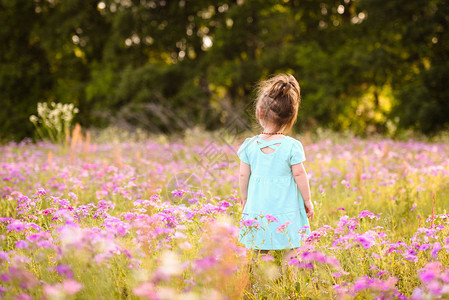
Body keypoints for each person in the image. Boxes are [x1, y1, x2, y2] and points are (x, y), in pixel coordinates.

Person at [237, 73, 314, 266]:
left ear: (260, 112)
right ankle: (291, 274)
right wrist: (307, 200)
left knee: (258, 246)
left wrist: (245, 198)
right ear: (290, 117)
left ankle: (255, 276)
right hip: (286, 209)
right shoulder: (291, 146)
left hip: (258, 207)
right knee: (292, 244)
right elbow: (299, 174)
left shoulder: (249, 145)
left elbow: (243, 174)